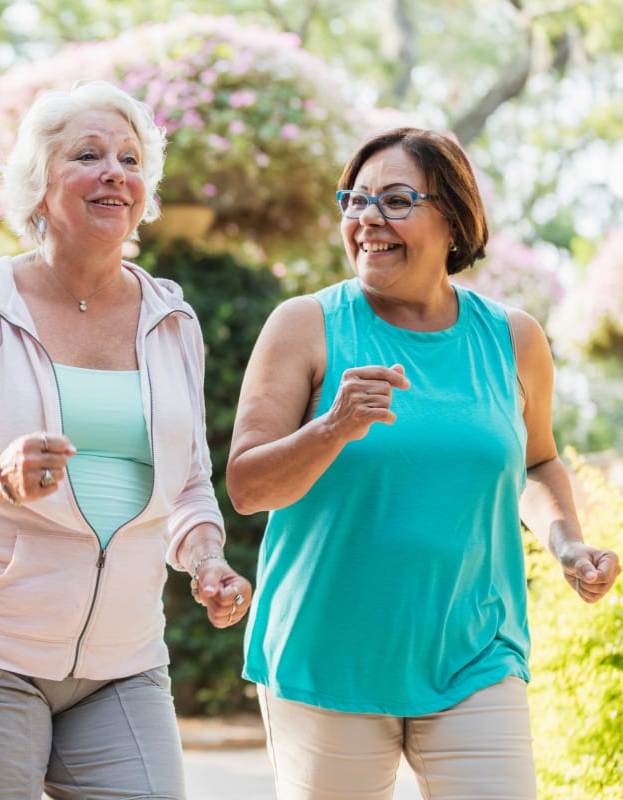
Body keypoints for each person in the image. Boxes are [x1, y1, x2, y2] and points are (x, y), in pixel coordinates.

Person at [0, 79, 252, 800]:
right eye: (88, 155)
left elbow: (188, 481)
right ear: (39, 185)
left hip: (121, 661)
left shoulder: (171, 320)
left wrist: (206, 561)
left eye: (130, 159)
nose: (115, 172)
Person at [227, 127, 621, 800]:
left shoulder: (513, 338)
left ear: (454, 220)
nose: (367, 219)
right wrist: (332, 429)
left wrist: (567, 541)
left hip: (475, 653)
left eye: (396, 200)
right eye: (354, 200)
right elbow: (247, 485)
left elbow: (536, 464)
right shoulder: (305, 325)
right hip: (329, 657)